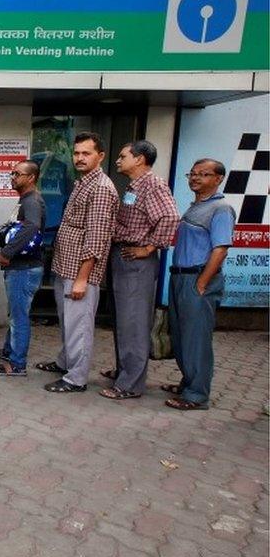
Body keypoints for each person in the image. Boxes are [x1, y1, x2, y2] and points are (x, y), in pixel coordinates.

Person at [38, 132, 119, 393]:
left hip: (80, 272)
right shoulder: (82, 182)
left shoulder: (101, 188)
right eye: (77, 153)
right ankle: (65, 362)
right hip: (66, 266)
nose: (80, 158)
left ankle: (76, 378)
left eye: (87, 153)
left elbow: (96, 237)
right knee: (68, 323)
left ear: (100, 156)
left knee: (79, 327)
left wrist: (83, 278)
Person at [100, 140, 179, 400]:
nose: (118, 160)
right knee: (123, 321)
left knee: (133, 323)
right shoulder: (134, 187)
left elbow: (170, 217)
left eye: (123, 156)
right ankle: (126, 370)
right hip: (123, 256)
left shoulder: (153, 185)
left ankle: (130, 384)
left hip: (137, 261)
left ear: (140, 159)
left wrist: (149, 248)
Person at [164, 159, 235, 411]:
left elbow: (220, 250)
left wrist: (202, 283)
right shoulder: (196, 206)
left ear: (218, 179)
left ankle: (197, 395)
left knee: (196, 339)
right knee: (181, 335)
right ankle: (188, 382)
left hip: (198, 279)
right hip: (180, 277)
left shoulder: (221, 209)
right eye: (192, 174)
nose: (195, 178)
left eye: (203, 174)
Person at [0, 160, 46, 377]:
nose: (13, 177)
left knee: (19, 315)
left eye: (18, 174)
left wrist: (7, 252)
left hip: (24, 268)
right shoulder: (26, 200)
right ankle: (9, 350)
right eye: (12, 173)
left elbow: (32, 227)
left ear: (31, 178)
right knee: (15, 311)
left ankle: (17, 364)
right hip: (21, 267)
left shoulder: (32, 201)